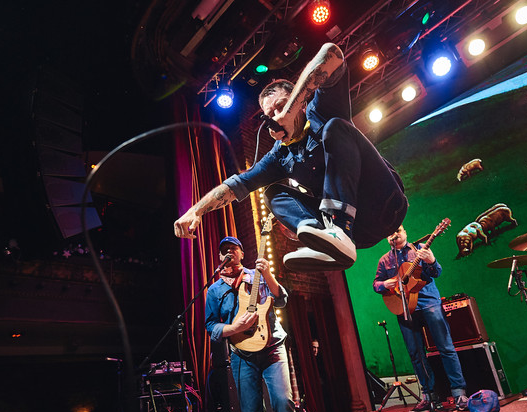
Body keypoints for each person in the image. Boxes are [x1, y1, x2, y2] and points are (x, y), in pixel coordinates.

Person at [174, 42, 407, 272]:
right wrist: (197, 210)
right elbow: (238, 184)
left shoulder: (321, 109)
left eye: (282, 106)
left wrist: (288, 111)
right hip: (361, 233)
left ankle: (338, 230)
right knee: (272, 193)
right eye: (270, 115)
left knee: (335, 127)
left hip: (387, 203)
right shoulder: (279, 156)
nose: (277, 117)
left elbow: (333, 53)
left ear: (300, 103)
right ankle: (325, 239)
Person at [204, 236, 298, 412]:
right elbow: (211, 326)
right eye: (224, 250)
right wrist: (234, 328)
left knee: (284, 405)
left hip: (272, 347)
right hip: (241, 355)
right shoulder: (214, 290)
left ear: (242, 254)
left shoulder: (257, 275)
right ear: (219, 257)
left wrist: (268, 275)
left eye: (233, 248)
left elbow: (282, 300)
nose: (229, 252)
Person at [372, 225, 468, 411]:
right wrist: (385, 284)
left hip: (429, 303)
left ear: (405, 233)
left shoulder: (420, 249)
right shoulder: (384, 260)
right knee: (416, 355)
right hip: (404, 308)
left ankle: (459, 393)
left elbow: (436, 272)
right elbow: (376, 284)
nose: (394, 235)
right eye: (390, 233)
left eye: (398, 230)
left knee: (445, 348)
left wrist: (432, 261)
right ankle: (429, 395)